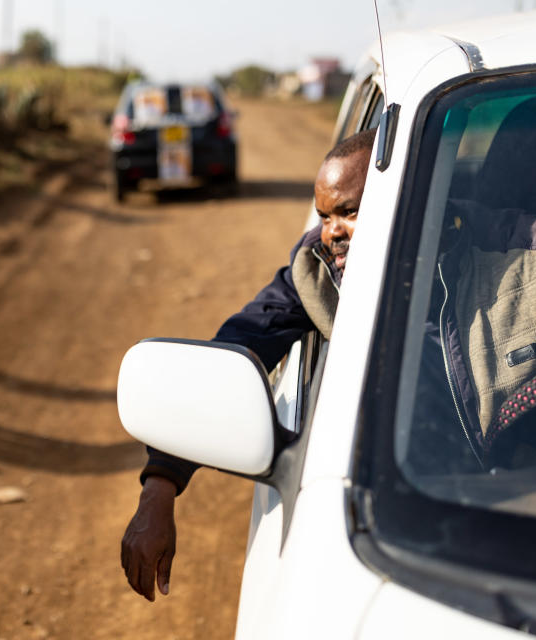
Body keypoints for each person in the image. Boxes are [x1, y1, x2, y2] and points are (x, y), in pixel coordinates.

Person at [120, 129, 376, 602]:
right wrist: (158, 488)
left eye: (351, 211)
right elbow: (234, 353)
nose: (332, 232)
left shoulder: (526, 253)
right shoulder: (316, 269)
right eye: (324, 215)